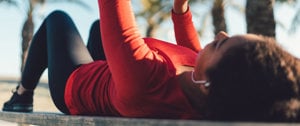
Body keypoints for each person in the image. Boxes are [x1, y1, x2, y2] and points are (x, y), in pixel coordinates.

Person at [3, 0, 300, 122]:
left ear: (209, 83)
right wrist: (180, 8)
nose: (220, 32)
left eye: (221, 43)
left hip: (75, 85)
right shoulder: (207, 89)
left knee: (58, 19)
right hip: (117, 79)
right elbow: (192, 50)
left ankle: (22, 95)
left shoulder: (146, 80)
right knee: (96, 30)